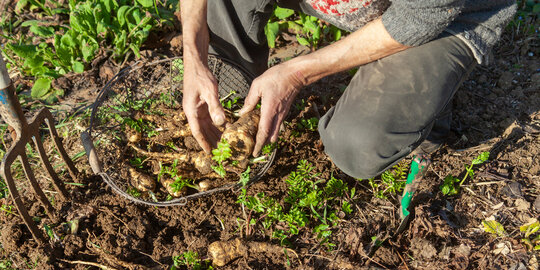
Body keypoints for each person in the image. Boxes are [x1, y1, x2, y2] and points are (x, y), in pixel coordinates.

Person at [179, 0, 516, 179]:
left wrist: (297, 74)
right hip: (366, 6)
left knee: (358, 145)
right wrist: (194, 56)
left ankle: (428, 101)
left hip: (443, 18)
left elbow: (420, 18)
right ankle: (236, 108)